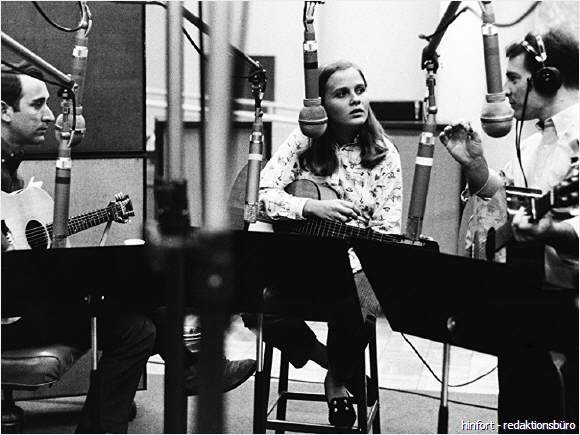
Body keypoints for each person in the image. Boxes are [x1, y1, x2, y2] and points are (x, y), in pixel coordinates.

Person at [1, 62, 256, 432]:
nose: (51, 115)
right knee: (132, 313)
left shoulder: (12, 167)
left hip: (23, 300)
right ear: (4, 111)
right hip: (9, 316)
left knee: (138, 325)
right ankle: (187, 369)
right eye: (38, 104)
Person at [245, 59, 402, 427]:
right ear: (321, 104)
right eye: (342, 94)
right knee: (251, 303)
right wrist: (310, 207)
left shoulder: (385, 155)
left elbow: (387, 232)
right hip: (297, 263)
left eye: (360, 91)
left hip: (356, 267)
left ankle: (336, 381)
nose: (355, 100)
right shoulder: (303, 140)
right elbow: (258, 195)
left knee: (355, 304)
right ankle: (328, 360)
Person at [439, 29, 578, 432]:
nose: (505, 91)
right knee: (521, 415)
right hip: (530, 302)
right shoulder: (533, 145)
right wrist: (476, 167)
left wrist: (552, 231)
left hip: (570, 312)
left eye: (514, 78)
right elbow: (507, 201)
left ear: (548, 78)